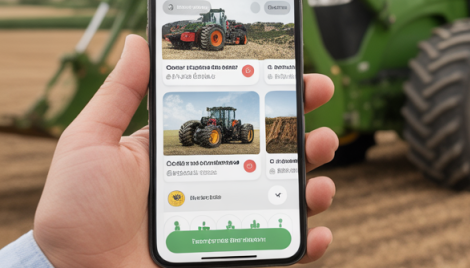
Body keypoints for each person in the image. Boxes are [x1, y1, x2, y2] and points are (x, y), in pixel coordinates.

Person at [0, 35, 341, 267]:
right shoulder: (206, 124)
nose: (216, 120)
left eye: (220, 117)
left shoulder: (234, 127)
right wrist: (57, 259)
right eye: (215, 117)